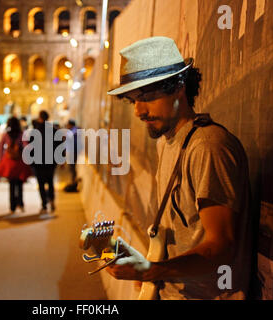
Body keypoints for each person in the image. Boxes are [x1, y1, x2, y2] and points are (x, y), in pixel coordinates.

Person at [105, 37, 253, 300]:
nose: (139, 110)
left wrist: (152, 270)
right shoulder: (172, 142)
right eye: (133, 100)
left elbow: (221, 246)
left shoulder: (207, 146)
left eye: (147, 96)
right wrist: (148, 265)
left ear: (179, 87)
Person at [0, 116, 32, 214]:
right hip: (19, 161)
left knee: (11, 185)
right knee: (20, 184)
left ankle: (12, 207)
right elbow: (26, 146)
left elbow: (1, 149)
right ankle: (21, 203)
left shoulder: (5, 135)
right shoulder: (21, 134)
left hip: (9, 162)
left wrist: (2, 159)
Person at [29, 110, 59, 214]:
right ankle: (52, 199)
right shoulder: (54, 130)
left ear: (40, 118)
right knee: (50, 182)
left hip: (38, 162)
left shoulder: (36, 131)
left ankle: (44, 204)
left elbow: (31, 147)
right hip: (51, 161)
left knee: (41, 184)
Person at [64, 119, 80, 190]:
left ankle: (74, 182)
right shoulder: (74, 131)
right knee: (72, 168)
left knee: (72, 168)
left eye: (68, 124)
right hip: (73, 151)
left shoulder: (74, 131)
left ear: (70, 125)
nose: (67, 126)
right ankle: (73, 181)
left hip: (73, 152)